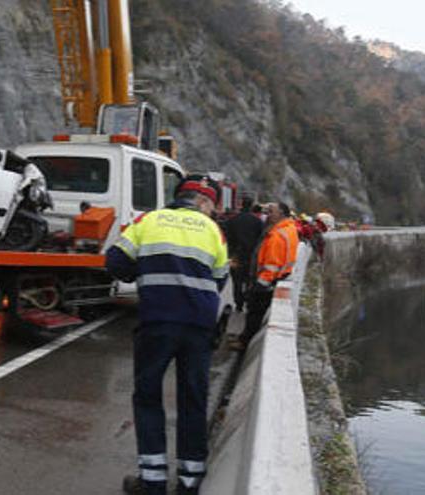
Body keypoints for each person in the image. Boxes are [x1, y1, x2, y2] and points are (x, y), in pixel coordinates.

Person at [106, 180, 229, 495]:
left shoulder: (149, 220)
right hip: (199, 327)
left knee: (148, 398)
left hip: (158, 321)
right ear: (204, 202)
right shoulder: (213, 231)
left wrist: (144, 270)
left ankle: (153, 481)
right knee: (193, 399)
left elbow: (116, 262)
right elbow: (219, 278)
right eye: (214, 206)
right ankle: (190, 481)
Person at [230, 202, 299, 351]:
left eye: (271, 212)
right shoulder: (288, 229)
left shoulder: (277, 236)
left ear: (281, 214)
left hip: (266, 281)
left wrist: (260, 284)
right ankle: (244, 338)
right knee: (255, 313)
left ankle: (244, 342)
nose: (268, 214)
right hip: (277, 279)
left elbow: (272, 264)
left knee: (254, 313)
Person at [222, 196, 263, 312]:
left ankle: (238, 303)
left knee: (237, 281)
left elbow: (227, 238)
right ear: (251, 206)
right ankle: (247, 300)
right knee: (250, 280)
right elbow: (261, 239)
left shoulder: (232, 220)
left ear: (241, 205)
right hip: (251, 256)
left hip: (236, 255)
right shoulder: (257, 222)